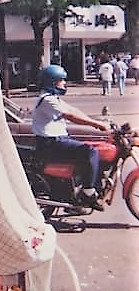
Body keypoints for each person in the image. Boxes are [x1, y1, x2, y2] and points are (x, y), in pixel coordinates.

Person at [32, 65, 109, 211]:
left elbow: (73, 110)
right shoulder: (48, 100)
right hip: (51, 143)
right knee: (90, 152)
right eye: (61, 80)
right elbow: (71, 116)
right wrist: (97, 124)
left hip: (57, 140)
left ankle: (81, 191)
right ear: (52, 82)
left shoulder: (53, 98)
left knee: (94, 148)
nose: (64, 83)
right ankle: (88, 193)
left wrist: (98, 122)